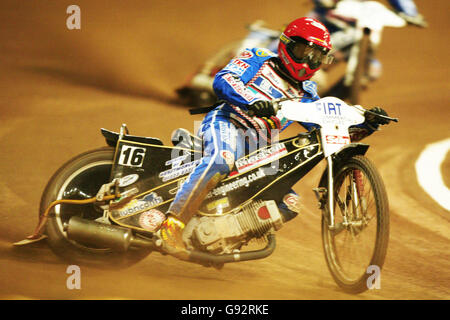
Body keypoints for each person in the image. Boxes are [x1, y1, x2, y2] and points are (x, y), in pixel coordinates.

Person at [158, 17, 389, 260]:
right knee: (221, 160)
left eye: (316, 57)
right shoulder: (258, 57)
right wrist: (251, 101)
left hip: (260, 147)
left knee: (288, 203)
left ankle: (217, 237)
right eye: (304, 52)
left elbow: (326, 129)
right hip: (227, 123)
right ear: (287, 45)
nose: (308, 62)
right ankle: (171, 225)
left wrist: (366, 124)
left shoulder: (308, 93)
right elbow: (224, 80)